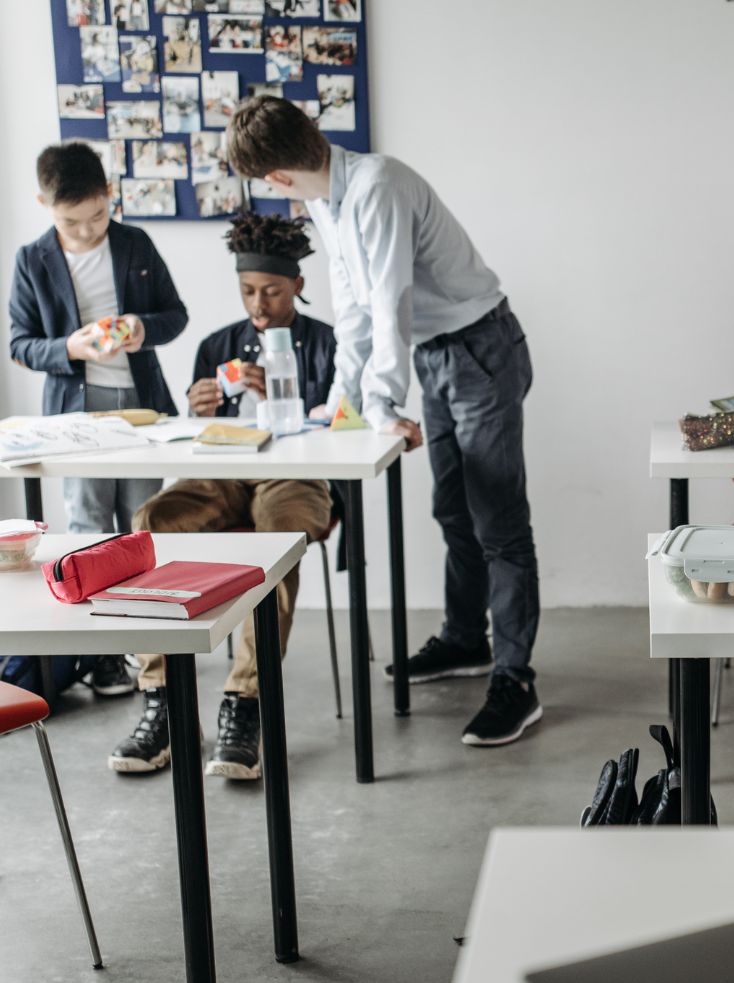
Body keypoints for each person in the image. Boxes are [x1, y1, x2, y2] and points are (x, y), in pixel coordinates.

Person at [224, 96, 542, 748]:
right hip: (435, 353)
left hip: (479, 347)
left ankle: (517, 680)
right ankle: (464, 640)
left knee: (498, 522)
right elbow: (354, 311)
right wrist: (342, 402)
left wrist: (380, 403)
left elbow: (389, 298)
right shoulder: (325, 199)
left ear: (275, 178)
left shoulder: (378, 186)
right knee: (453, 509)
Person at [109, 213, 337, 778]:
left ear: (298, 287)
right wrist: (199, 408)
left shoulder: (329, 343)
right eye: (248, 291)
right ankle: (161, 698)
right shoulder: (217, 344)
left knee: (278, 543)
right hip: (223, 469)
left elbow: (344, 424)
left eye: (272, 292)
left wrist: (289, 395)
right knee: (153, 520)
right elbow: (191, 439)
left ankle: (246, 703)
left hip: (297, 474)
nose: (259, 304)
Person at [9, 141, 187, 696]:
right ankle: (102, 655)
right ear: (43, 202)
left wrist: (140, 327)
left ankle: (146, 650)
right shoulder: (31, 258)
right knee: (87, 531)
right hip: (73, 415)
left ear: (110, 194)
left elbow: (175, 315)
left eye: (97, 216)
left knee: (140, 526)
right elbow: (20, 343)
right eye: (72, 220)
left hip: (140, 410)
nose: (87, 231)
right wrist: (70, 347)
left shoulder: (135, 242)